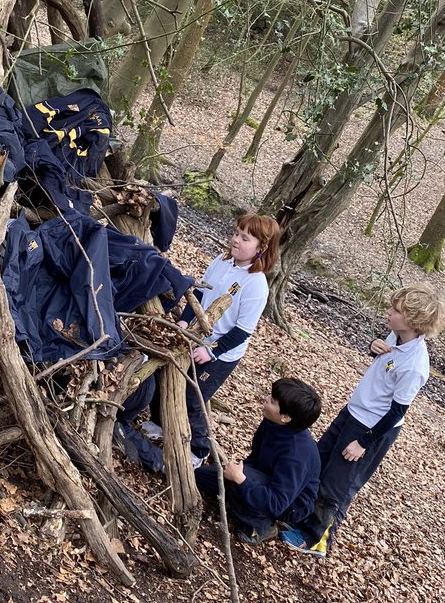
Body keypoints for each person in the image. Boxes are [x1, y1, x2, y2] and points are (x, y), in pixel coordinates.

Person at [282, 283, 445, 558]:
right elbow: (381, 360)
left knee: (337, 484)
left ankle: (316, 539)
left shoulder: (415, 366)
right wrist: (373, 347)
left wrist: (363, 443)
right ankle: (300, 517)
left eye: (396, 311)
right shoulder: (397, 336)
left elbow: (397, 412)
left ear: (414, 321)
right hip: (353, 411)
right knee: (318, 464)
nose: (389, 313)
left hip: (370, 428)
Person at [184, 212, 281, 462]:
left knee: (194, 398)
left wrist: (211, 350)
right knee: (173, 378)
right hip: (195, 335)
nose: (236, 240)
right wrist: (184, 320)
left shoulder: (256, 284)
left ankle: (198, 451)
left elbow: (242, 331)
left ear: (262, 247)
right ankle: (162, 425)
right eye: (237, 233)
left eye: (245, 238)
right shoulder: (220, 261)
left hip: (221, 353)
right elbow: (198, 293)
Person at [195, 377, 322, 544]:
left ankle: (261, 526)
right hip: (264, 478)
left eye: (273, 401)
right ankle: (239, 498)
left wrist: (241, 480)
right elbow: (256, 456)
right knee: (199, 476)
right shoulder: (272, 422)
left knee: (237, 482)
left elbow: (277, 503)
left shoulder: (296, 455)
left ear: (285, 417)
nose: (267, 399)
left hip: (289, 504)